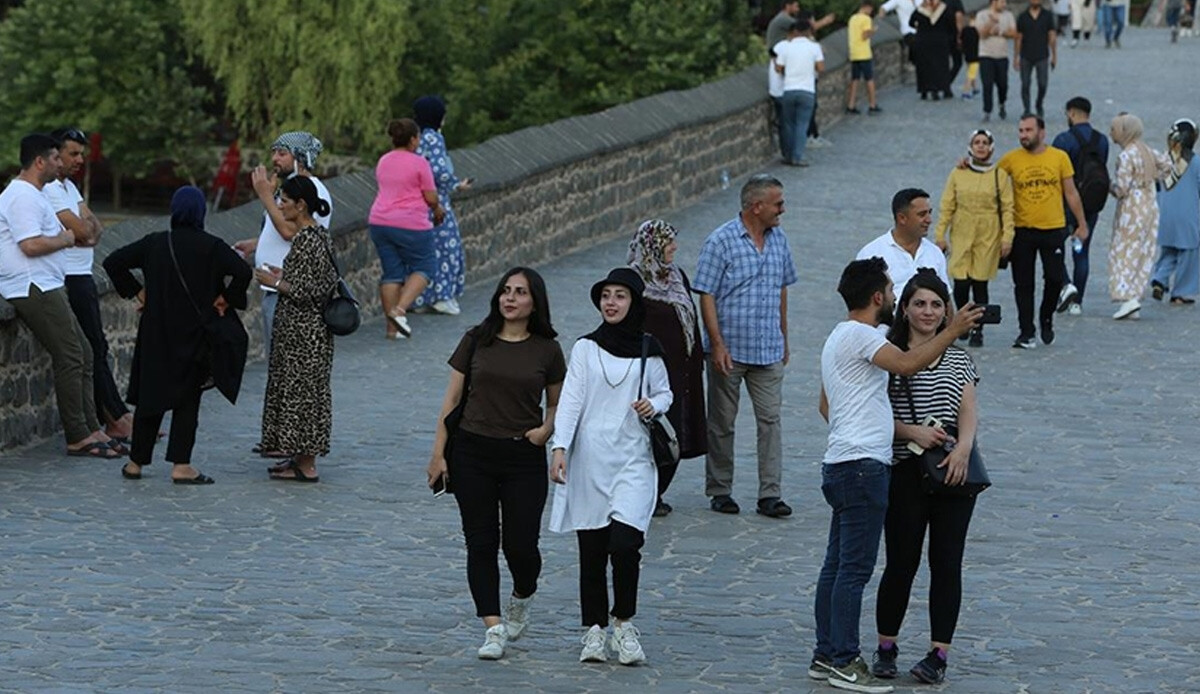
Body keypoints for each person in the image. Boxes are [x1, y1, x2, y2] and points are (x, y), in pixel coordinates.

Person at [811, 257, 981, 693]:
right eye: (891, 291)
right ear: (878, 298)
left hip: (844, 462)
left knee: (835, 567)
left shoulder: (841, 336)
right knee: (853, 570)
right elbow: (907, 366)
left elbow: (829, 404)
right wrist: (953, 330)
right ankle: (845, 661)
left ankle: (826, 653)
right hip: (863, 466)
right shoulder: (863, 336)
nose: (892, 295)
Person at [427, 267, 565, 661]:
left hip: (523, 456)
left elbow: (558, 402)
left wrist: (545, 431)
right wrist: (439, 453)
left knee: (521, 546)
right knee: (481, 541)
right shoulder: (476, 340)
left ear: (534, 301)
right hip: (472, 453)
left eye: (520, 292)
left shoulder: (547, 349)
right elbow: (451, 400)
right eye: (505, 290)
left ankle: (523, 593)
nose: (510, 298)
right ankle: (492, 627)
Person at [549, 268, 672, 666]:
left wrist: (655, 405)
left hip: (634, 459)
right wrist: (560, 446)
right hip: (591, 460)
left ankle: (623, 623)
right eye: (606, 295)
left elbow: (665, 391)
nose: (612, 303)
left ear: (634, 301)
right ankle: (593, 632)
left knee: (625, 544)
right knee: (592, 551)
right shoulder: (585, 348)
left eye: (620, 296)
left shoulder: (648, 348)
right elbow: (570, 400)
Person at [870, 270, 981, 686]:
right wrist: (910, 431)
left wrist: (965, 448)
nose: (928, 311)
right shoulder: (890, 353)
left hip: (952, 470)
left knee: (947, 563)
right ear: (905, 308)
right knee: (901, 561)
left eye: (936, 304)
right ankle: (886, 646)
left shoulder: (958, 356)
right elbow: (874, 412)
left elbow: (968, 406)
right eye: (920, 303)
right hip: (904, 469)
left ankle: (939, 652)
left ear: (946, 309)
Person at [103, 186, 251, 484]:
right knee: (187, 399)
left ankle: (135, 463)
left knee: (150, 397)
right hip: (195, 332)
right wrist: (225, 298)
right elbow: (243, 272)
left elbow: (112, 262)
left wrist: (138, 292)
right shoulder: (211, 246)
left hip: (157, 331)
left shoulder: (157, 243)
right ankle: (181, 465)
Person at [0, 133, 119, 460]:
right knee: (70, 354)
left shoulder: (35, 194)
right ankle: (78, 435)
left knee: (83, 351)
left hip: (45, 283)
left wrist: (67, 237)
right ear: (40, 162)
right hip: (30, 285)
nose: (60, 163)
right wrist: (66, 239)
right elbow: (30, 245)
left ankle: (93, 427)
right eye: (55, 158)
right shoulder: (22, 196)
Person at [694, 175, 798, 518]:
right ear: (757, 207)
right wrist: (717, 344)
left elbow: (783, 286)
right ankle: (720, 489)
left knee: (771, 420)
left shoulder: (779, 238)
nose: (783, 209)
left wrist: (783, 334)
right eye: (777, 203)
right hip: (731, 351)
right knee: (722, 422)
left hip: (767, 348)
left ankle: (771, 493)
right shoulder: (720, 241)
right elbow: (706, 294)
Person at [46, 127, 134, 444]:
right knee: (91, 347)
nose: (80, 159)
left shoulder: (69, 187)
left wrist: (87, 230)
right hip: (69, 277)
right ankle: (114, 418)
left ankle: (116, 414)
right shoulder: (52, 191)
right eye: (73, 153)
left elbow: (94, 229)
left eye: (81, 153)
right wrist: (86, 232)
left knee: (98, 345)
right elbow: (84, 232)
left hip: (83, 274)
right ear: (54, 154)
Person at [252, 177, 338, 481]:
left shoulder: (307, 238)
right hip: (302, 332)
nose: (279, 206)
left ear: (300, 205)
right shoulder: (317, 235)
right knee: (299, 392)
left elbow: (312, 290)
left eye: (284, 201)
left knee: (302, 394)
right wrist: (282, 274)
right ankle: (298, 458)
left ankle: (306, 465)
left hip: (305, 333)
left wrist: (276, 282)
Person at [627, 220, 707, 518]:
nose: (674, 247)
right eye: (668, 242)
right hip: (652, 375)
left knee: (674, 433)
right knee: (651, 433)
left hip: (683, 373)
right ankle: (645, 492)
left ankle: (658, 490)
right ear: (652, 245)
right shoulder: (634, 282)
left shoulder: (676, 276)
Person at [232, 131, 331, 356]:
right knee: (279, 364)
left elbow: (291, 232)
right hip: (278, 290)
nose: (275, 158)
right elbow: (289, 230)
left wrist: (265, 196)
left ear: (300, 158)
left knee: (284, 365)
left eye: (282, 153)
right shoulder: (293, 189)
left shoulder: (313, 191)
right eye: (274, 152)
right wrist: (257, 244)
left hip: (291, 293)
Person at [997, 115, 1089, 348]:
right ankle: (1026, 331)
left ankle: (1046, 318)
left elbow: (1070, 193)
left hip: (1054, 229)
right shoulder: (1010, 160)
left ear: (1042, 132)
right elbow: (990, 182)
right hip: (1022, 230)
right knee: (1023, 284)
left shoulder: (1059, 157)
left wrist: (1081, 223)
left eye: (1028, 130)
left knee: (1055, 279)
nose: (1023, 135)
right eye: (1020, 130)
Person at [934, 130, 1015, 346]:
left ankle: (978, 329)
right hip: (962, 232)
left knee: (980, 283)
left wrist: (1007, 237)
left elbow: (1008, 208)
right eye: (976, 142)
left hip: (988, 235)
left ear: (991, 147)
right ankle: (963, 322)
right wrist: (940, 234)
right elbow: (947, 205)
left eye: (985, 142)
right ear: (970, 146)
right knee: (960, 282)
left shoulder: (999, 176)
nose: (981, 146)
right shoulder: (958, 173)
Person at [368, 117, 446, 340]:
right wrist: (438, 209)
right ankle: (399, 310)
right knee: (426, 266)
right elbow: (430, 197)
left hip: (380, 221)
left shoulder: (383, 161)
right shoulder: (419, 162)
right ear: (413, 139)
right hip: (411, 223)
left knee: (392, 273)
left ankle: (392, 330)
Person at [412, 95, 472, 316]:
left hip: (417, 204)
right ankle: (442, 296)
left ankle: (421, 297)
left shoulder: (416, 139)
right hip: (435, 203)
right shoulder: (434, 139)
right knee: (447, 248)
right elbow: (438, 171)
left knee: (425, 252)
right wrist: (457, 184)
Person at [1050, 96, 1110, 316]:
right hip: (1092, 204)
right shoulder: (1102, 140)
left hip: (1066, 205)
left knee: (1055, 248)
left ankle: (1067, 285)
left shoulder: (1064, 140)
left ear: (1071, 112)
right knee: (1082, 252)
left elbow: (1054, 173)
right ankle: (1078, 302)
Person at [1107, 113, 1171, 320]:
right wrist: (1151, 179)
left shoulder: (1126, 156)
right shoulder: (1147, 151)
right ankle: (1134, 296)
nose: (1112, 133)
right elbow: (1168, 165)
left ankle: (1127, 298)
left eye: (1115, 129)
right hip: (1149, 205)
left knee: (1124, 251)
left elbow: (1122, 189)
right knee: (1143, 251)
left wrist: (1108, 186)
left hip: (1131, 210)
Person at [856, 188, 951, 293]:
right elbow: (860, 303)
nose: (929, 220)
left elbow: (946, 299)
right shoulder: (870, 254)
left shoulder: (935, 254)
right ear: (902, 218)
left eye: (929, 213)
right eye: (922, 214)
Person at [1152, 119, 1200, 303]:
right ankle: (1180, 293)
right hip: (1189, 217)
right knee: (1189, 254)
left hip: (1165, 215)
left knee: (1169, 251)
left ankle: (1159, 279)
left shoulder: (1163, 160)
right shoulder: (1196, 163)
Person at [775, 19, 825, 167]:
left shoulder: (787, 48)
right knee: (802, 125)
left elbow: (778, 68)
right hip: (807, 90)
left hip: (789, 89)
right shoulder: (814, 47)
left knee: (788, 124)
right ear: (809, 32)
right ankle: (798, 156)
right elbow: (821, 68)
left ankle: (788, 155)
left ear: (795, 31)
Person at [1014, 0, 1057, 119]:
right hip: (1025, 55)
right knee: (1025, 84)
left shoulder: (1047, 15)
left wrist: (1054, 55)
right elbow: (1018, 38)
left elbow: (1052, 36)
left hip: (1042, 54)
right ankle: (1027, 109)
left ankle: (1039, 103)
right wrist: (1016, 57)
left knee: (1043, 83)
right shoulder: (1022, 16)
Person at [975, 0, 1016, 122]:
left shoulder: (1008, 15)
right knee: (987, 84)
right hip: (985, 55)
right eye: (1002, 1)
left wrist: (1000, 32)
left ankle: (1002, 103)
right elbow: (982, 34)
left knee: (1003, 84)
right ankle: (987, 110)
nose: (1004, 4)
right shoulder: (982, 15)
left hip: (1002, 55)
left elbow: (1014, 33)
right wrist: (991, 23)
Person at [910, 0, 955, 101]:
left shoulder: (921, 9)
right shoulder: (945, 9)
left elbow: (911, 22)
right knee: (941, 66)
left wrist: (920, 26)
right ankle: (944, 89)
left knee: (925, 66)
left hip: (923, 41)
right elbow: (951, 24)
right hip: (940, 41)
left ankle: (925, 90)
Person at [846, 1, 881, 114]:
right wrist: (873, 31)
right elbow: (865, 35)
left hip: (854, 53)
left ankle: (851, 105)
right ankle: (872, 104)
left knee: (855, 79)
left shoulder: (852, 18)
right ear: (867, 8)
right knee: (869, 79)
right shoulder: (866, 19)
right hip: (864, 53)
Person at [957, 17, 980, 99]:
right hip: (976, 56)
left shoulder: (964, 30)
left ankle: (975, 88)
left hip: (967, 55)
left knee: (970, 71)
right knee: (971, 74)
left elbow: (960, 41)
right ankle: (966, 91)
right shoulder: (977, 31)